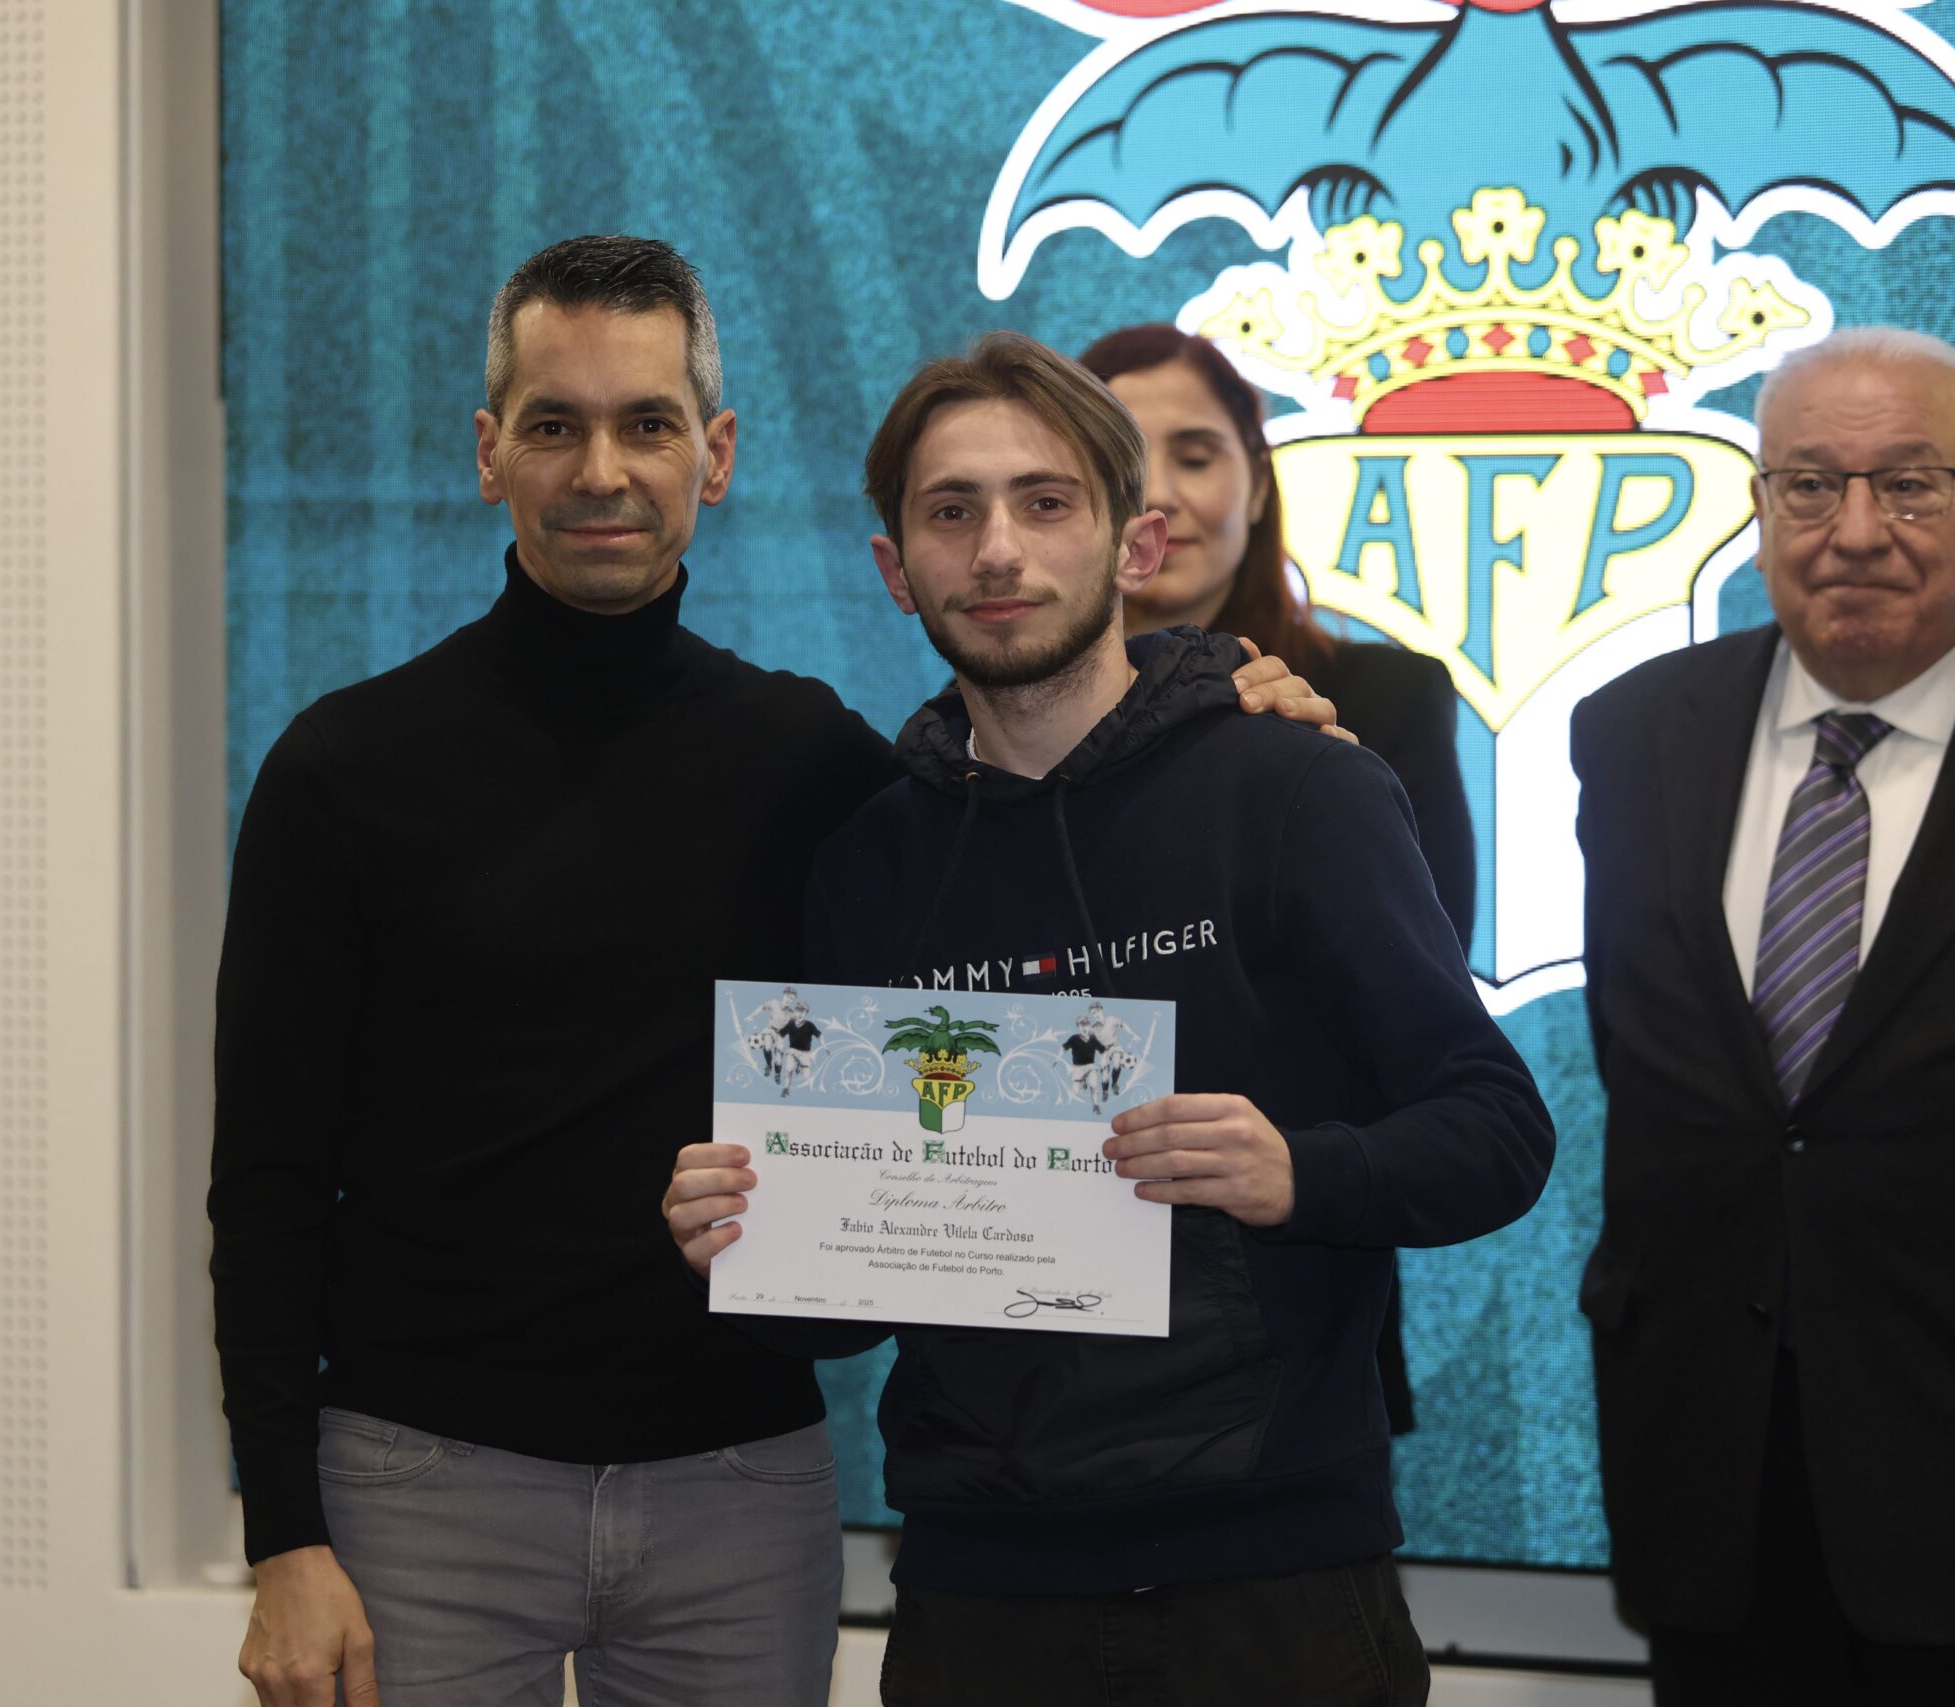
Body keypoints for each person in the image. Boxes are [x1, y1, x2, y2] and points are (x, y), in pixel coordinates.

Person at [210, 237, 1343, 1707]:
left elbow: (1045, 796)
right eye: (554, 424)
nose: (601, 470)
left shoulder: (815, 764)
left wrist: (1221, 699)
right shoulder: (343, 769)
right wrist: (282, 1533)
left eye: (647, 422)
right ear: (491, 455)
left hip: (738, 1494)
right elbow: (267, 1180)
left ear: (717, 453)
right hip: (419, 1487)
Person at [665, 331, 1555, 1706]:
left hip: (1276, 1585)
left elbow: (1498, 1131)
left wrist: (1299, 1170)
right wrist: (746, 1241)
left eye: (1046, 501)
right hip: (978, 1597)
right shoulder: (868, 863)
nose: (997, 550)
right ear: (896, 568)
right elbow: (839, 1316)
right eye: (950, 511)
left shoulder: (1300, 789)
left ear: (1134, 544)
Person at [1571, 327, 1955, 1704]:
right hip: (1705, 1463)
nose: (1856, 531)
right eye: (1811, 485)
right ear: (1761, 507)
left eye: (1912, 483)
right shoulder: (1632, 733)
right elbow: (1649, 1063)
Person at [1080, 323, 1475, 1432]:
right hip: (1029, 1309)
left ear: (1257, 483)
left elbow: (1417, 1018)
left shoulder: (1375, 705)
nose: (1161, 495)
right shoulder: (988, 731)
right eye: (1121, 460)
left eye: (1196, 454)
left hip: (1294, 1299)